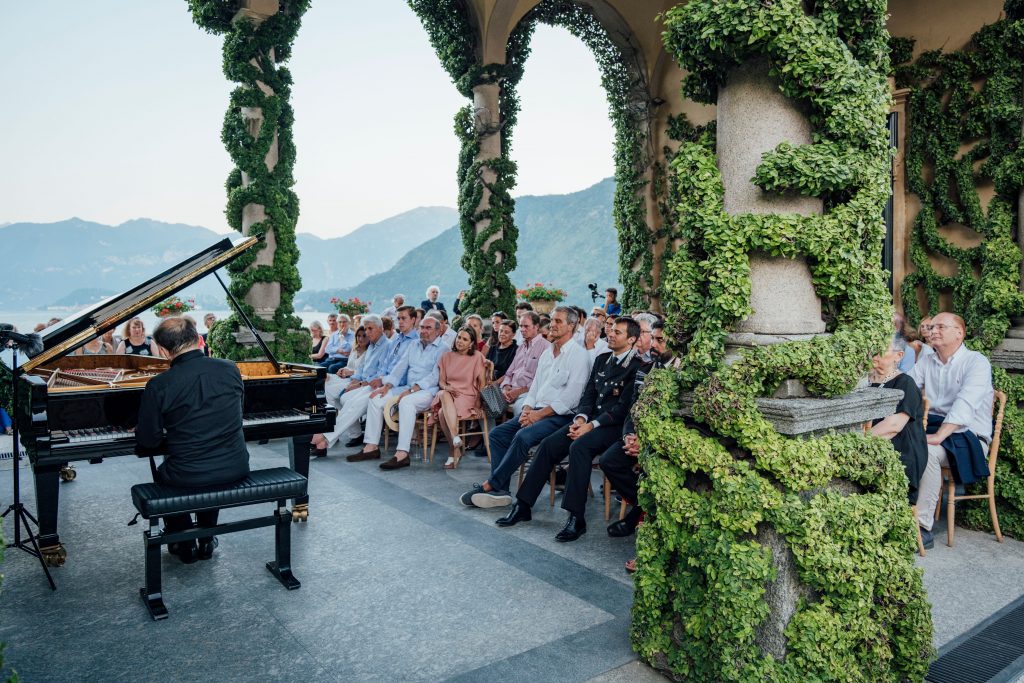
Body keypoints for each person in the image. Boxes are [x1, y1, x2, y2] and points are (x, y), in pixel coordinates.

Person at [496, 317, 647, 542]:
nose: (611, 334)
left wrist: (591, 425)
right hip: (588, 420)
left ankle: (576, 517)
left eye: (618, 332)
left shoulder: (638, 367)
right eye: (612, 330)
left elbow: (623, 407)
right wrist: (580, 417)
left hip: (611, 426)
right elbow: (588, 395)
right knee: (548, 445)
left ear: (632, 339)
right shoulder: (602, 359)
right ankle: (524, 505)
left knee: (579, 447)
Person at [135, 317, 250, 564]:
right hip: (235, 466)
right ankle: (206, 538)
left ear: (164, 351)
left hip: (188, 475)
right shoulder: (230, 368)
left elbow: (148, 441)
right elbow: (237, 414)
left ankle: (183, 540)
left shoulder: (159, 385)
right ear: (198, 339)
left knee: (169, 471)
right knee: (207, 461)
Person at [462, 307, 591, 508]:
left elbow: (571, 399)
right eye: (553, 320)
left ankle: (492, 484)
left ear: (572, 326)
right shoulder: (548, 354)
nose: (553, 325)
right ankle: (501, 490)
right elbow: (535, 387)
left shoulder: (579, 355)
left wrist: (538, 414)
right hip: (536, 410)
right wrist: (527, 409)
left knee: (523, 437)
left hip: (560, 416)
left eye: (559, 321)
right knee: (497, 434)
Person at [909, 312, 993, 549]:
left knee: (928, 452)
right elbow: (907, 389)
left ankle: (922, 527)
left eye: (940, 327)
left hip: (970, 436)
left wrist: (939, 436)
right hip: (936, 428)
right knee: (900, 442)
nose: (932, 331)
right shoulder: (927, 361)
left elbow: (965, 405)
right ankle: (900, 513)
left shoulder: (976, 362)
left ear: (959, 333)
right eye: (931, 327)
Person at [601, 318, 675, 546]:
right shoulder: (646, 369)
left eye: (660, 340)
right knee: (608, 461)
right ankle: (646, 507)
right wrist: (629, 436)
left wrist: (646, 441)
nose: (653, 344)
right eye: (652, 338)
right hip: (638, 435)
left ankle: (641, 515)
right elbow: (633, 406)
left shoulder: (682, 373)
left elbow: (675, 419)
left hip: (663, 441)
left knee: (655, 468)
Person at [358, 316, 446, 470]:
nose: (424, 331)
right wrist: (387, 386)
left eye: (429, 328)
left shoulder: (444, 348)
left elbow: (434, 377)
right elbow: (400, 367)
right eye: (422, 327)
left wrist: (412, 390)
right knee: (376, 398)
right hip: (407, 387)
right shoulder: (413, 344)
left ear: (438, 331)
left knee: (406, 402)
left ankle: (402, 453)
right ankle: (371, 446)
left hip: (427, 391)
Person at [310, 313, 396, 455]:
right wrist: (356, 379)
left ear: (380, 328)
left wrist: (359, 383)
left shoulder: (387, 346)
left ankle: (325, 438)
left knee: (350, 402)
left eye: (370, 329)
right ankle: (329, 437)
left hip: (377, 385)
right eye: (366, 329)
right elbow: (362, 369)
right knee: (339, 395)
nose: (367, 333)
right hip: (365, 383)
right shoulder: (373, 346)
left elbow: (382, 373)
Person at [868, 336, 928, 508]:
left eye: (881, 351)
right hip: (873, 444)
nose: (875, 355)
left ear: (899, 356)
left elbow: (893, 427)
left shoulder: (905, 383)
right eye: (872, 350)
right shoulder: (864, 381)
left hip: (900, 451)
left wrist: (856, 441)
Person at [432, 326, 487, 469]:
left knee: (441, 413)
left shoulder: (477, 357)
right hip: (449, 394)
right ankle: (456, 440)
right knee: (443, 394)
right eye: (459, 337)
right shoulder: (446, 356)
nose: (460, 341)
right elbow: (442, 381)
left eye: (465, 339)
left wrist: (478, 404)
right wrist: (447, 387)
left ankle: (453, 449)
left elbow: (482, 384)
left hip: (468, 396)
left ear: (471, 343)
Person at [499, 312, 550, 417]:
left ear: (536, 327)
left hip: (528, 393)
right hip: (510, 391)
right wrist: (506, 387)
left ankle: (516, 433)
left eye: (526, 326)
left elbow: (541, 381)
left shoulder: (546, 348)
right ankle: (492, 433)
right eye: (521, 326)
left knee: (520, 410)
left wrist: (518, 391)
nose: (522, 329)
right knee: (487, 400)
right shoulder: (521, 347)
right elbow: (509, 373)